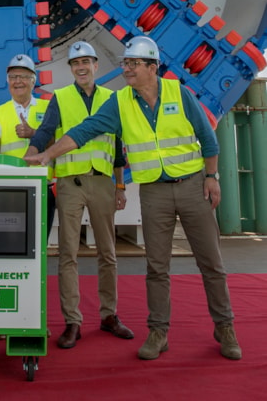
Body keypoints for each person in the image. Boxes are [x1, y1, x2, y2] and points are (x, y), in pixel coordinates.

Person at [26, 35, 242, 361]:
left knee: (211, 262)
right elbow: (85, 130)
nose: (126, 69)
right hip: (154, 191)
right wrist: (47, 154)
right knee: (157, 267)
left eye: (133, 64)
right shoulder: (120, 102)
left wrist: (212, 178)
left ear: (152, 67)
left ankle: (225, 327)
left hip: (193, 187)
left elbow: (208, 139)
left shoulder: (178, 93)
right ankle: (158, 332)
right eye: (125, 63)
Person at [26, 41, 133, 349]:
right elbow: (46, 131)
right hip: (70, 185)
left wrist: (120, 186)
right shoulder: (59, 98)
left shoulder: (112, 99)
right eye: (76, 63)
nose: (82, 67)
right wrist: (32, 154)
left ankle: (109, 315)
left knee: (108, 253)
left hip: (102, 184)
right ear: (70, 69)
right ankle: (73, 321)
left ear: (96, 65)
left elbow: (117, 149)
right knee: (68, 254)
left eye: (87, 61)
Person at [0, 53, 56, 240]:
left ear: (33, 81)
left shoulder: (48, 107)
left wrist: (34, 134)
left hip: (41, 186)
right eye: (13, 77)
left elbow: (58, 144)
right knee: (8, 242)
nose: (18, 81)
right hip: (9, 188)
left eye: (23, 77)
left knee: (39, 243)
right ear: (8, 82)